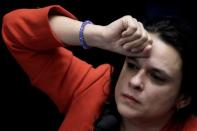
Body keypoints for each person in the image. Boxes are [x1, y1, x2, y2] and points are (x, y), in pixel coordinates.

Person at [1, 5, 197, 131]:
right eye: (131, 65)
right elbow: (16, 31)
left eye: (156, 76)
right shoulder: (95, 86)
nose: (135, 81)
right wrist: (97, 35)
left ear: (183, 98)